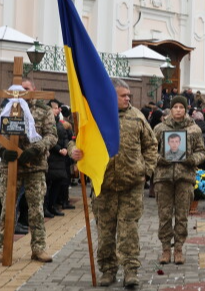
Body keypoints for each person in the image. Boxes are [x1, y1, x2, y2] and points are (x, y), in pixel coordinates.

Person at [70, 79, 158, 287]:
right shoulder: (94, 117)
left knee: (129, 233)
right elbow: (78, 139)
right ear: (111, 95)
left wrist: (146, 171)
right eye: (123, 95)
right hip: (103, 186)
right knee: (106, 233)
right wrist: (74, 148)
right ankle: (108, 270)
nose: (128, 98)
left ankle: (131, 272)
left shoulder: (137, 117)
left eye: (129, 95)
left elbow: (151, 145)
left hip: (131, 186)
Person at [0, 78, 58, 264]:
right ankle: (3, 248)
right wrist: (3, 151)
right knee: (6, 209)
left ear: (34, 90)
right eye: (18, 89)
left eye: (26, 89)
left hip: (35, 166)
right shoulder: (5, 108)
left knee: (36, 210)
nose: (21, 92)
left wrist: (36, 148)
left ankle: (38, 248)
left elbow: (52, 136)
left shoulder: (43, 110)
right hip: (10, 167)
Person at [153, 95, 205, 265]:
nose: (178, 110)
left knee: (182, 214)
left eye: (181, 107)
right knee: (165, 215)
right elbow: (149, 150)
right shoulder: (160, 128)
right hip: (164, 177)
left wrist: (192, 160)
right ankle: (165, 249)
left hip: (184, 177)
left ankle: (178, 249)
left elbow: (202, 151)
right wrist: (160, 159)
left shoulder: (194, 130)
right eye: (175, 107)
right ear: (171, 108)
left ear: (186, 109)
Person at [45, 99, 69, 217]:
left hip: (60, 159)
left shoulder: (59, 122)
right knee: (48, 184)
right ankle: (47, 207)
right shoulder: (47, 121)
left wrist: (65, 147)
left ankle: (52, 205)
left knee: (58, 182)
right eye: (55, 108)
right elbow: (49, 137)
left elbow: (64, 136)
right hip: (52, 157)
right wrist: (59, 149)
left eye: (58, 108)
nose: (58, 110)